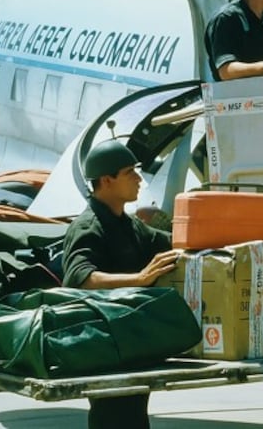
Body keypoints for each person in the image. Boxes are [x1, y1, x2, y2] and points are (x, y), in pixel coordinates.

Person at [62, 140, 179, 429]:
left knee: (134, 416)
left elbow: (171, 244)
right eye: (130, 172)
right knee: (114, 418)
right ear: (107, 180)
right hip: (104, 349)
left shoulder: (129, 225)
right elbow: (81, 278)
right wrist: (139, 279)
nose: (139, 179)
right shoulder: (89, 226)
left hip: (130, 343)